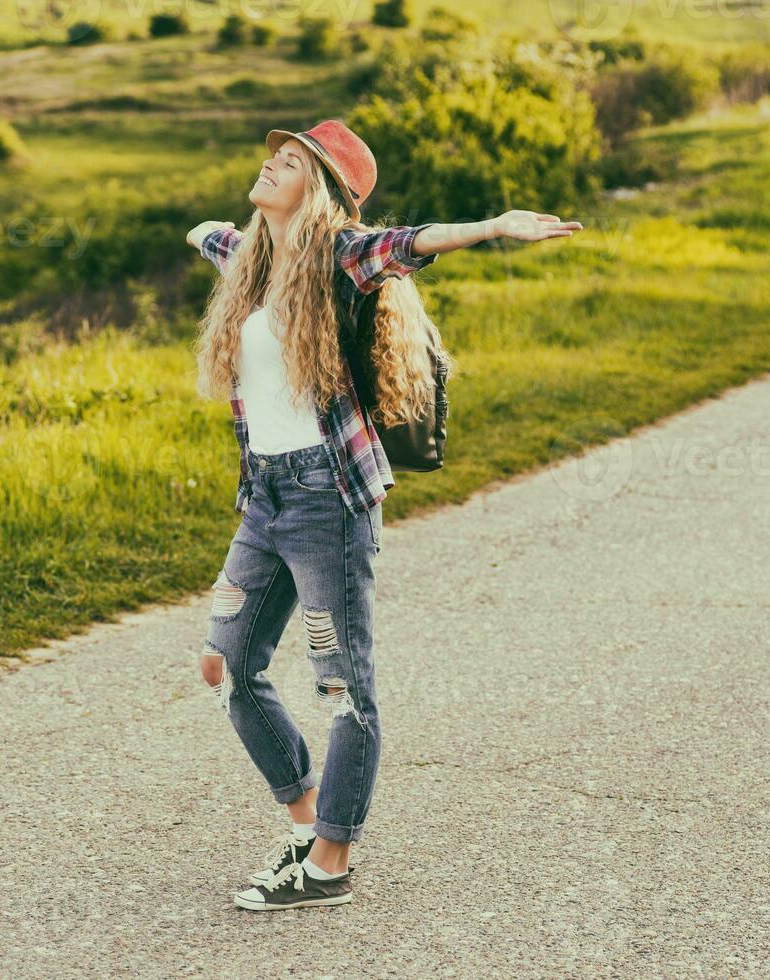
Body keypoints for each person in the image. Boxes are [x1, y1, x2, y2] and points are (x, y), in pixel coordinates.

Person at [186, 119, 581, 911]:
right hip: (261, 498)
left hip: (323, 499)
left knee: (343, 690)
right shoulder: (252, 260)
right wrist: (211, 232)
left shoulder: (338, 256)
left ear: (322, 189)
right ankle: (306, 821)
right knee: (226, 666)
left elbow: (408, 243)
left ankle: (330, 863)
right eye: (275, 154)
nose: (270, 162)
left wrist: (496, 227)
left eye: (289, 160)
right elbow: (214, 237)